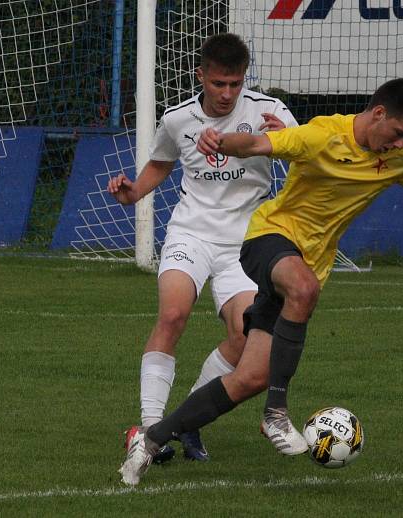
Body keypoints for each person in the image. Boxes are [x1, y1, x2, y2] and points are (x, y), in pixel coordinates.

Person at [119, 78, 403, 485]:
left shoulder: (400, 158)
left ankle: (151, 439)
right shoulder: (323, 134)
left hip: (306, 266)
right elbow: (257, 145)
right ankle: (276, 414)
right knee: (303, 288)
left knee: (249, 377)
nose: (400, 144)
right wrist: (219, 142)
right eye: (398, 133)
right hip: (267, 238)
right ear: (379, 113)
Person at [108, 33, 297, 465]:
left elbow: (308, 155)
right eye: (218, 84)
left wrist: (287, 139)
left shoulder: (270, 112)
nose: (227, 93)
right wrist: (134, 193)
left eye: (235, 83)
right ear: (201, 77)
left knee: (245, 334)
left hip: (247, 244)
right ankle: (149, 427)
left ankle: (185, 419)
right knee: (173, 315)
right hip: (191, 233)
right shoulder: (179, 119)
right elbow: (161, 162)